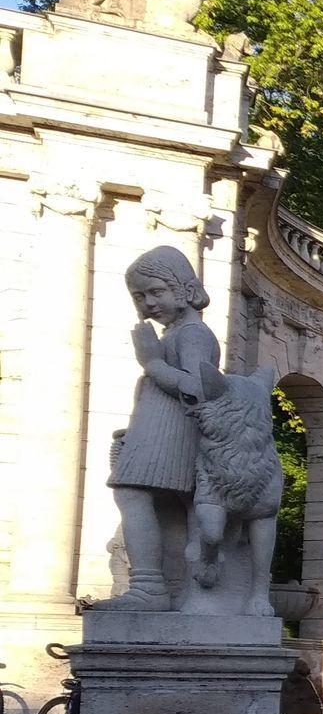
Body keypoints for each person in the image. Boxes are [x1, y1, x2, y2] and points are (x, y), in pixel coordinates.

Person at [96, 246, 221, 611]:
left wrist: (151, 362)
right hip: (158, 431)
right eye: (139, 296)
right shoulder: (177, 334)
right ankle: (169, 587)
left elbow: (199, 387)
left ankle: (149, 587)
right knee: (162, 507)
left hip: (175, 432)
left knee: (132, 494)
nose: (148, 302)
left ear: (185, 289)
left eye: (156, 291)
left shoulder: (193, 333)